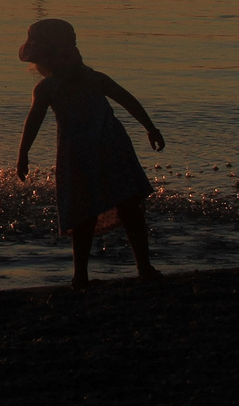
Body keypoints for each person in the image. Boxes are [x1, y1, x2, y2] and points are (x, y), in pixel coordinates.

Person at [15, 18, 165, 289]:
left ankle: (81, 276)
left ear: (42, 60)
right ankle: (143, 267)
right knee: (129, 206)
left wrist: (23, 154)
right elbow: (128, 99)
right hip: (112, 146)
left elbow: (33, 121)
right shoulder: (92, 79)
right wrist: (150, 127)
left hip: (80, 153)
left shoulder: (50, 87)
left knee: (84, 214)